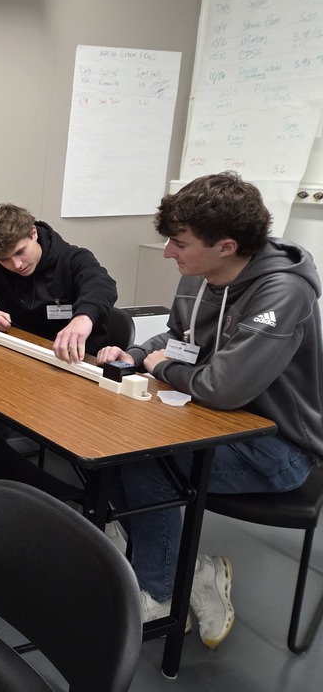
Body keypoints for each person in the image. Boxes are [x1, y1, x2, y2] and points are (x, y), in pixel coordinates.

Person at [97, 172, 323, 649]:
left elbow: (223, 389)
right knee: (114, 449)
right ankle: (189, 568)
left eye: (179, 243)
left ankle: (160, 595)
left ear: (225, 246)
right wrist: (137, 355)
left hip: (280, 447)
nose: (167, 253)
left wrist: (159, 369)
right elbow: (180, 343)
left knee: (147, 463)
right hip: (214, 424)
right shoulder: (202, 278)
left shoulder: (283, 293)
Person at [0, 203, 118, 363]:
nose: (16, 265)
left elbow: (102, 285)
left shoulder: (73, 259)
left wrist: (83, 317)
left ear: (33, 233)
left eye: (20, 252)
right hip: (24, 354)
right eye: (4, 259)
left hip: (77, 361)